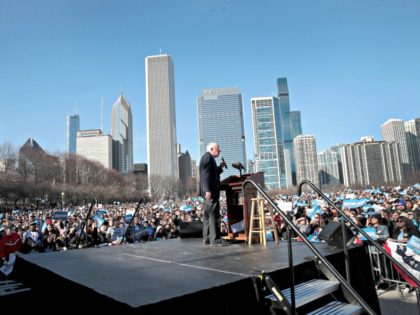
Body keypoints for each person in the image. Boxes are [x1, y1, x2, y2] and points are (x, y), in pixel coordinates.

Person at [199, 142, 226, 247]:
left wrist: (221, 167)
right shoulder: (208, 158)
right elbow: (205, 175)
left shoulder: (208, 158)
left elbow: (212, 174)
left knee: (207, 216)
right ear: (211, 148)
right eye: (218, 149)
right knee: (213, 216)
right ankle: (214, 240)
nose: (219, 151)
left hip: (209, 192)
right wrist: (207, 190)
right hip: (210, 192)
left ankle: (206, 239)